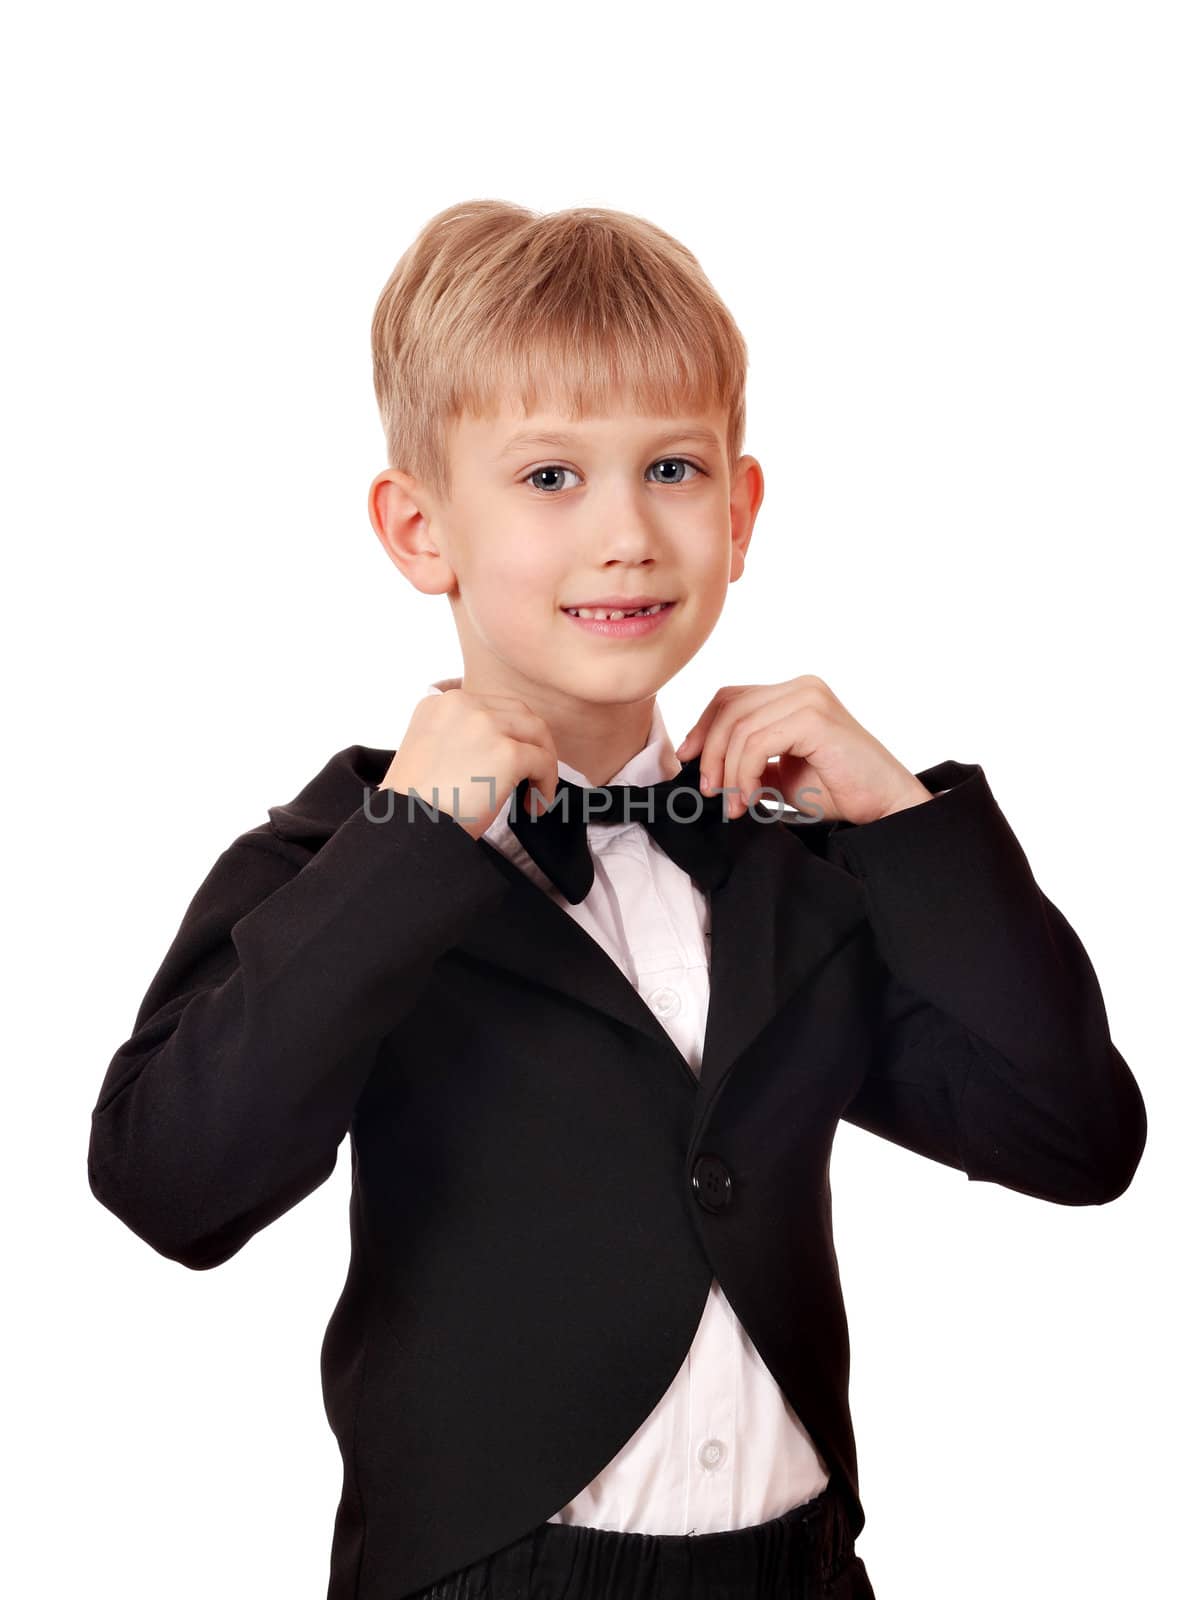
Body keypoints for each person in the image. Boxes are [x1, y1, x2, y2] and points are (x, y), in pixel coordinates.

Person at [87, 199, 1148, 1600]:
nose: (627, 534)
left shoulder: (793, 870)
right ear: (419, 529)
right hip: (488, 1574)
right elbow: (172, 1185)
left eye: (671, 468)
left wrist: (905, 824)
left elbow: (1074, 1137)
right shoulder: (338, 864)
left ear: (743, 509)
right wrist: (412, 839)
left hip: (801, 1568)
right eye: (547, 478)